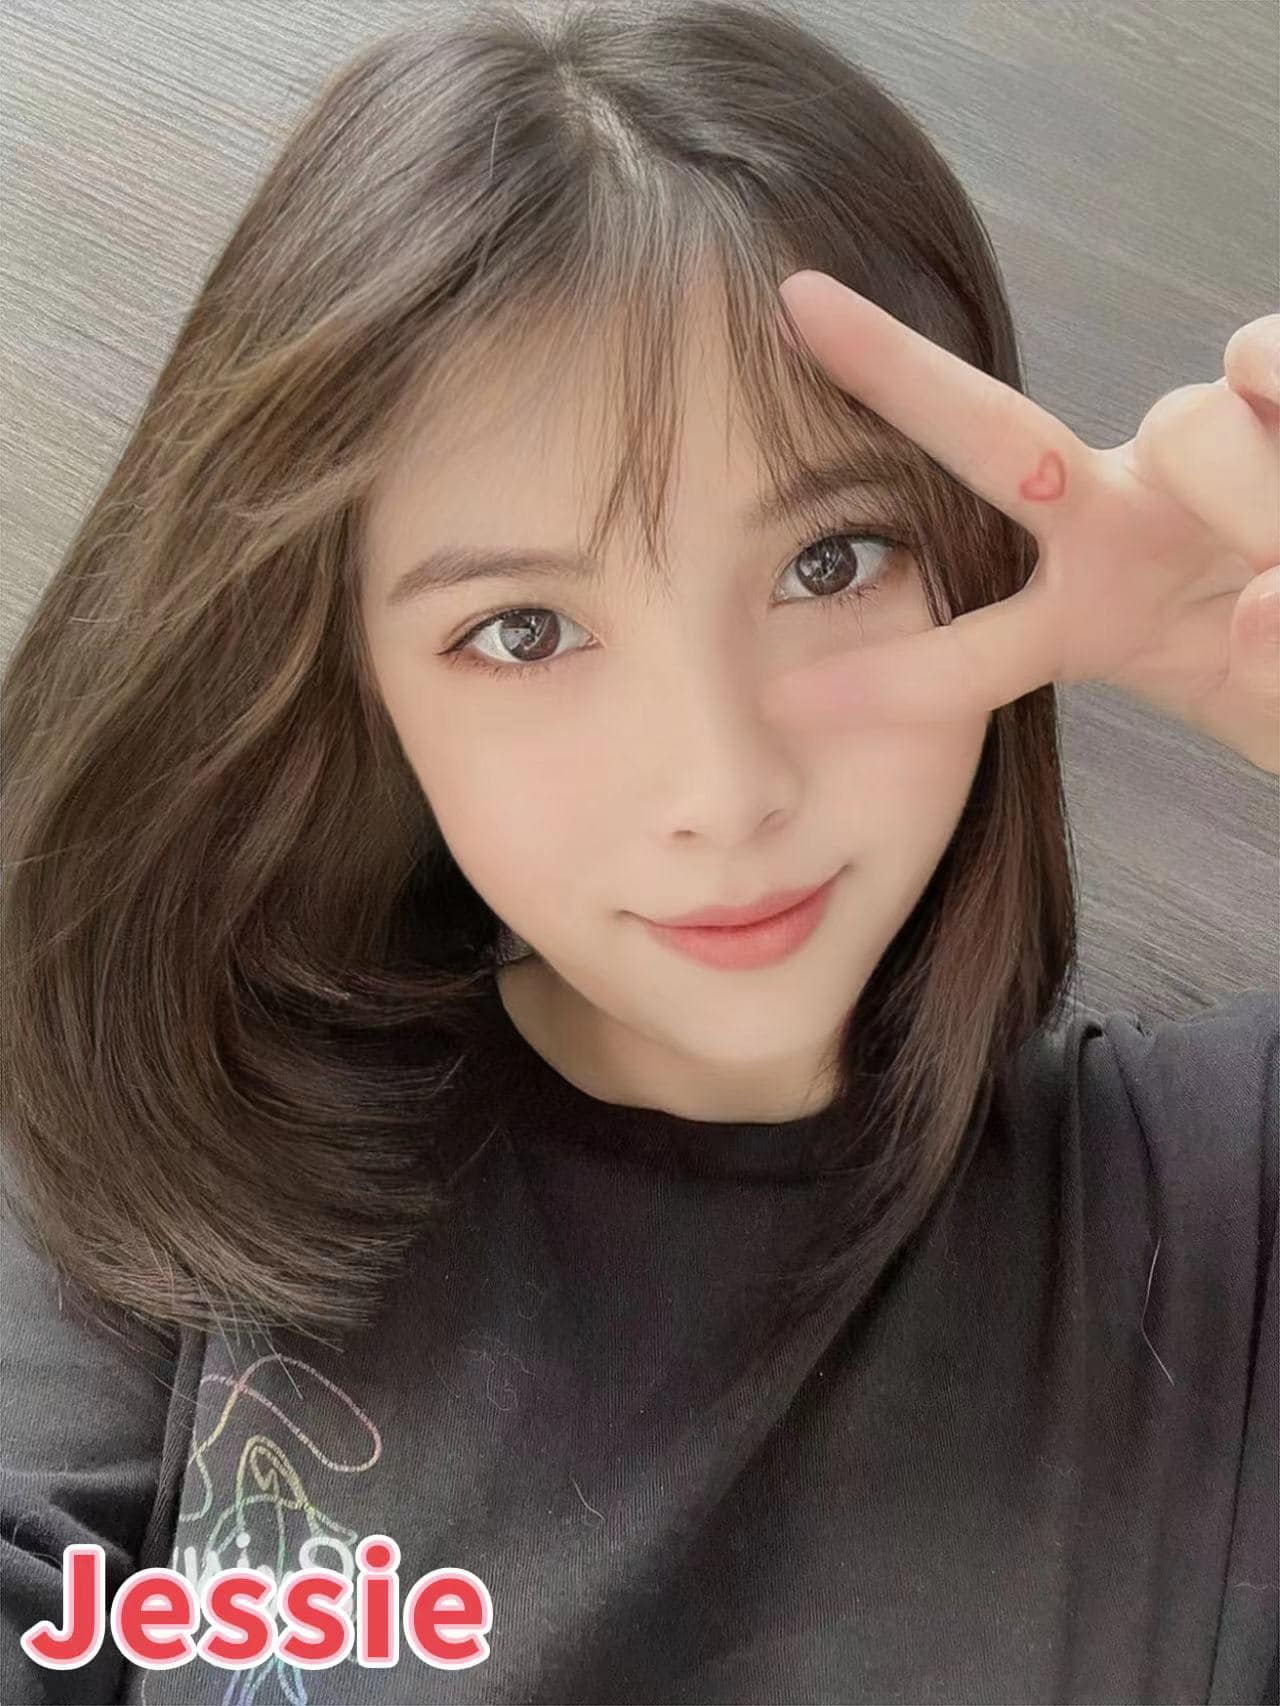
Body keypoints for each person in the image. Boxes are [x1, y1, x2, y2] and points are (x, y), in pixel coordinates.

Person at [1, 1, 1275, 1701]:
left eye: (832, 562)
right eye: (524, 630)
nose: (722, 785)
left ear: (979, 554)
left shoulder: (1223, 1210)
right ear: (360, 686)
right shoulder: (142, 1153)